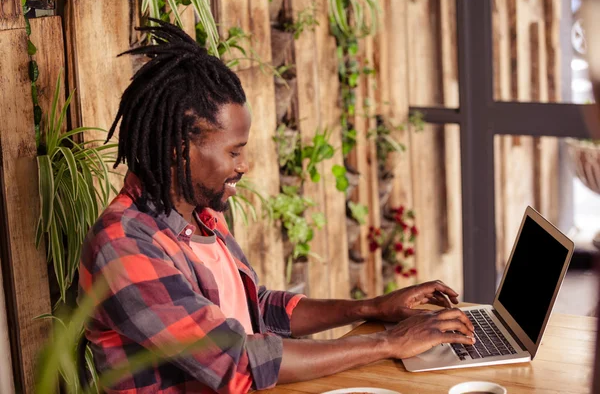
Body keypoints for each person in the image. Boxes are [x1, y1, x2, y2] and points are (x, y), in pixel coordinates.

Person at [78, 20, 475, 394]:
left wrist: (371, 307)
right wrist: (388, 342)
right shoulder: (123, 246)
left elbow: (259, 311)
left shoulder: (201, 216)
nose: (244, 166)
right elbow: (239, 360)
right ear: (179, 149)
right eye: (234, 151)